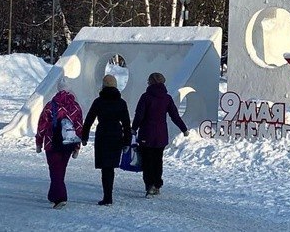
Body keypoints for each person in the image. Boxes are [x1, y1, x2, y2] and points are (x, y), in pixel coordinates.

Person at [132, 71, 189, 198]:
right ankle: (157, 185)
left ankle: (150, 185)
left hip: (146, 134)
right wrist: (184, 128)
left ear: (150, 82)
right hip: (161, 135)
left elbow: (139, 115)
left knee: (147, 161)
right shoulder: (167, 98)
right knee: (158, 160)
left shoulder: (145, 97)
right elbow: (175, 115)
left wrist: (134, 128)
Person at [81, 74, 131, 206]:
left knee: (105, 167)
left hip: (102, 134)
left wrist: (84, 136)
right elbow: (126, 124)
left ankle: (107, 197)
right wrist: (127, 141)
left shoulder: (99, 101)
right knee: (111, 167)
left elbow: (89, 120)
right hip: (116, 134)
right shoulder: (121, 103)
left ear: (103, 86)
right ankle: (109, 196)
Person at [35, 79, 83, 208]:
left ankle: (60, 198)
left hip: (52, 142)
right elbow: (79, 127)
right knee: (60, 169)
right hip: (68, 142)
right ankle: (52, 195)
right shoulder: (76, 106)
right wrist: (77, 146)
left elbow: (42, 125)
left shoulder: (51, 105)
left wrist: (39, 141)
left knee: (55, 170)